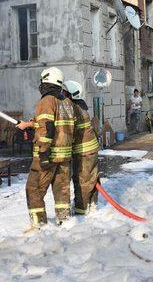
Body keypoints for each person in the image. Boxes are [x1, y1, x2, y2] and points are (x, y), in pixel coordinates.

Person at [16, 67, 75, 229]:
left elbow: (46, 129)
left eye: (42, 82)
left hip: (47, 155)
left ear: (47, 82)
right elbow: (56, 126)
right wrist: (30, 124)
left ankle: (39, 224)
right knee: (62, 189)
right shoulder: (67, 103)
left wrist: (43, 153)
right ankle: (65, 221)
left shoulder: (46, 101)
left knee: (34, 188)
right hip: (64, 156)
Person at [64, 80, 100, 215]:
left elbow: (67, 129)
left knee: (83, 180)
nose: (62, 94)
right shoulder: (81, 105)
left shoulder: (72, 108)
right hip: (90, 149)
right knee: (91, 179)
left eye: (64, 92)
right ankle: (91, 204)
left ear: (70, 94)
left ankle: (82, 209)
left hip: (84, 151)